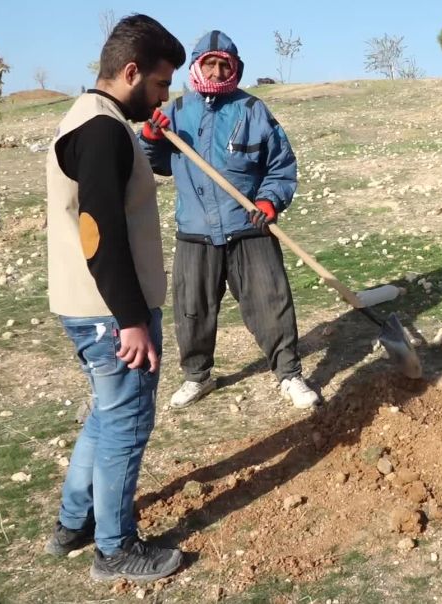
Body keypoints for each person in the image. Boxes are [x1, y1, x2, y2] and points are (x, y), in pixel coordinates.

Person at [43, 14, 187, 581]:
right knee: (126, 424)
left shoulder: (88, 119)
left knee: (106, 416)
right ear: (130, 72)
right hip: (109, 316)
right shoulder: (101, 130)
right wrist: (131, 319)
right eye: (158, 85)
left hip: (89, 307)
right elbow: (97, 228)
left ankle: (73, 523)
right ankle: (115, 548)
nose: (162, 99)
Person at [139, 30, 320, 410]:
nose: (219, 71)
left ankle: (289, 375)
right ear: (197, 65)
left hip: (249, 226)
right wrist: (151, 138)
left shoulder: (253, 110)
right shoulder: (174, 112)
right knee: (193, 309)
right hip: (196, 233)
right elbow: (158, 165)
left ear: (235, 69)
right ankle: (197, 377)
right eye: (211, 63)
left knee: (272, 304)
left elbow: (280, 165)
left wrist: (270, 202)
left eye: (226, 65)